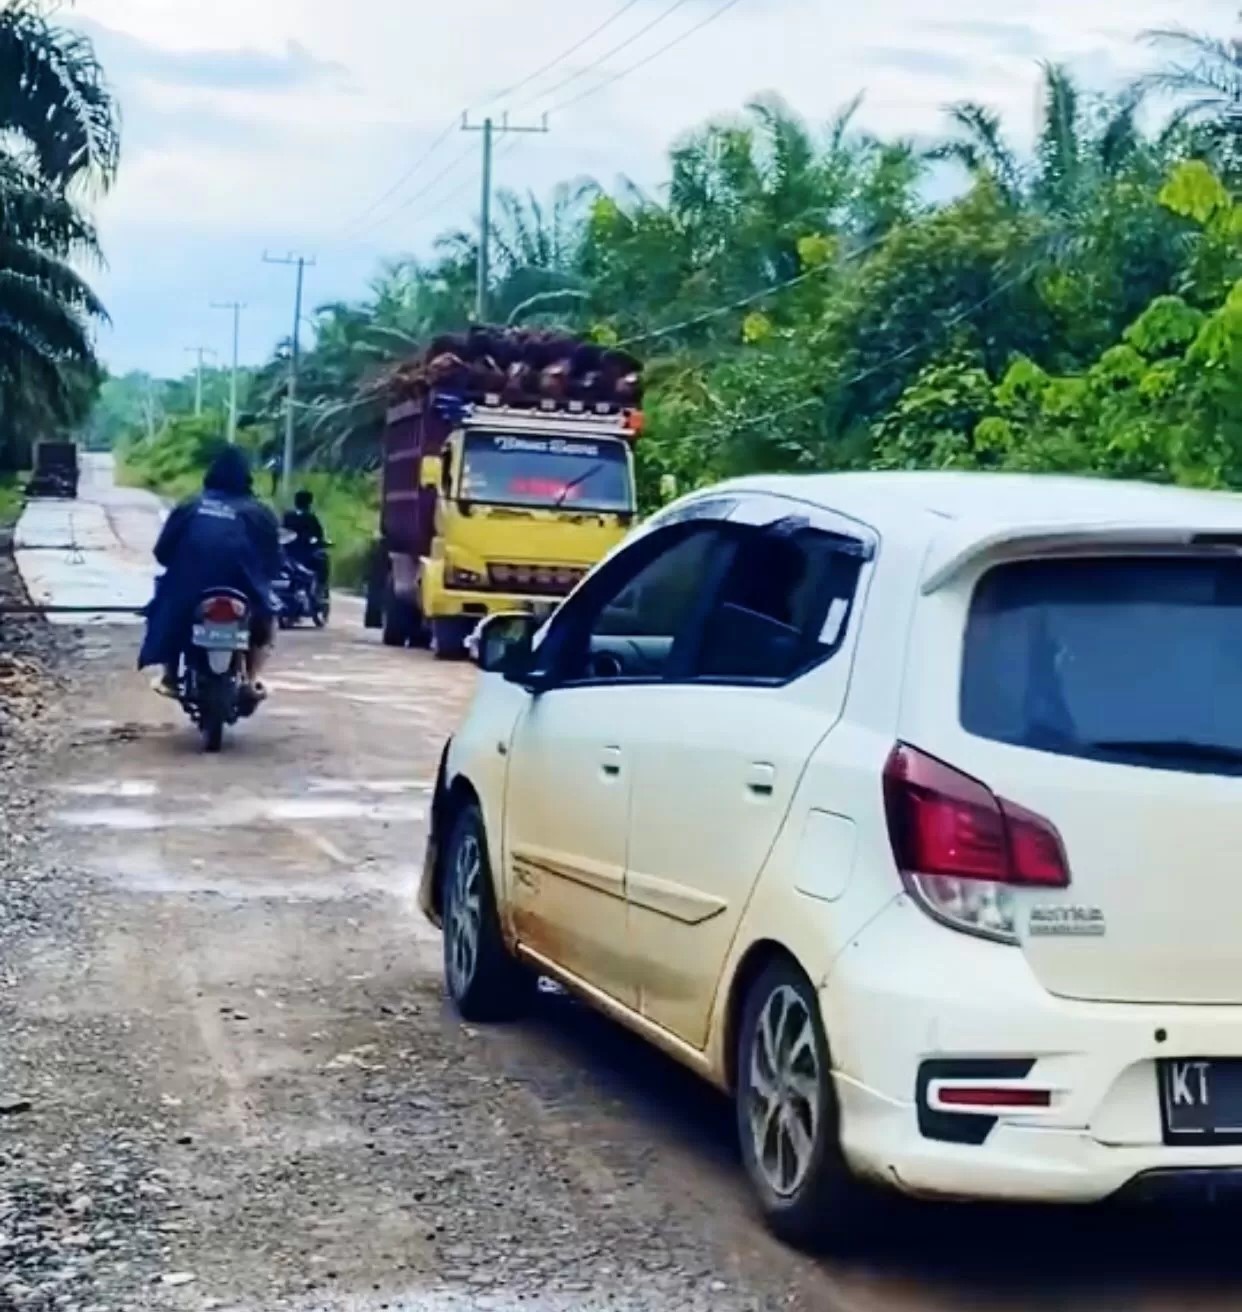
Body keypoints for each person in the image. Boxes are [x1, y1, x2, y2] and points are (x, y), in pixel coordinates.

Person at [139, 447, 282, 698]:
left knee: (165, 607)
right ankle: (252, 679)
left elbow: (162, 552)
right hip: (245, 588)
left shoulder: (191, 506)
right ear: (246, 478)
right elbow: (274, 562)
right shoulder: (260, 512)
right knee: (266, 618)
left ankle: (170, 675)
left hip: (190, 589)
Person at [282, 490, 329, 595]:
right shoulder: (311, 517)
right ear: (309, 502)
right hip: (304, 552)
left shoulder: (288, 516)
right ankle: (320, 588)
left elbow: (281, 531)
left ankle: (319, 589)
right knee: (322, 559)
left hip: (290, 552)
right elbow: (319, 535)